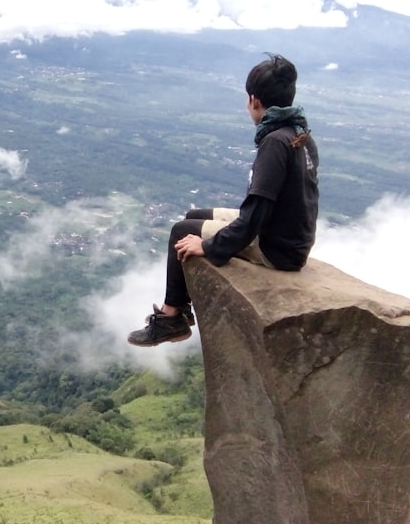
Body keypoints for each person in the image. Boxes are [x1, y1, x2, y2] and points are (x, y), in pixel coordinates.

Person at [128, 53, 319, 347]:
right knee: (194, 215)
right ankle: (181, 306)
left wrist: (206, 245)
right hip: (291, 234)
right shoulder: (299, 134)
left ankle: (171, 318)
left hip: (277, 246)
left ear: (254, 100)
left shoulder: (275, 143)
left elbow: (256, 215)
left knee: (183, 231)